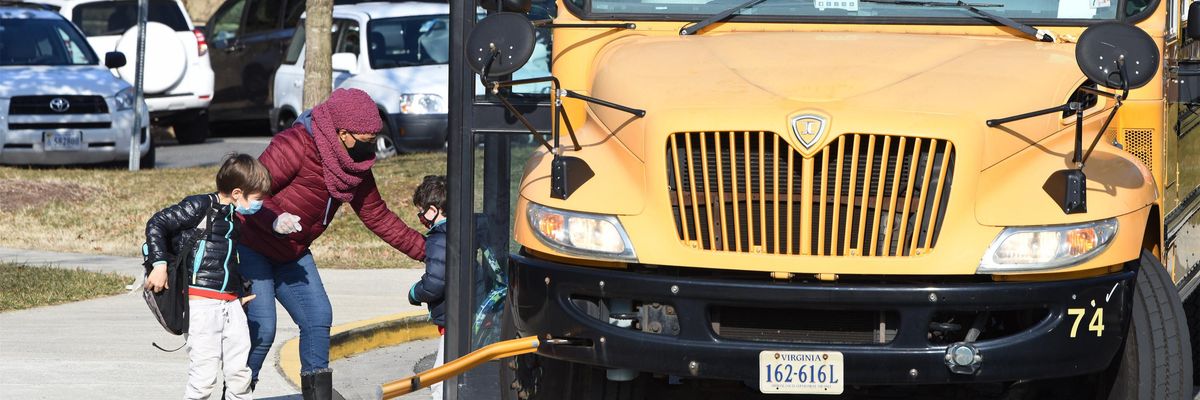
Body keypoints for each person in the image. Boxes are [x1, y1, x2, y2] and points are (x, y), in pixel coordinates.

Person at [238, 88, 426, 399]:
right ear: (342, 134)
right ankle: (236, 391)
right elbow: (249, 189)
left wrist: (430, 252)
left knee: (318, 317)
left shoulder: (353, 168)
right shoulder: (295, 145)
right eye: (366, 140)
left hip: (292, 251)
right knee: (263, 326)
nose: (371, 149)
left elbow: (379, 217)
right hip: (252, 244)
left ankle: (317, 396)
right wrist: (275, 218)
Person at [143, 153, 271, 400]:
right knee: (203, 377)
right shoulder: (200, 206)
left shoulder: (235, 220)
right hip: (201, 304)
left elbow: (228, 261)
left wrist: (238, 295)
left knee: (239, 373)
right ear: (237, 193)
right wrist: (158, 265)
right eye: (257, 198)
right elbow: (157, 223)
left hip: (230, 304)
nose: (260, 204)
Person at [406, 175, 447, 399]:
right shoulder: (462, 229)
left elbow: (435, 282)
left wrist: (415, 292)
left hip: (455, 323)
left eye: (422, 212)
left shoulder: (439, 238)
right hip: (472, 317)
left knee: (440, 383)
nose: (420, 217)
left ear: (433, 210)